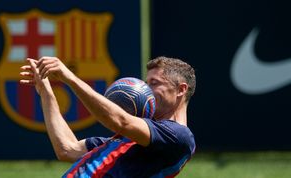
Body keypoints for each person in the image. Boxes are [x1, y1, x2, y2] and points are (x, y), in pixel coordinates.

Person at [20, 56, 196, 177]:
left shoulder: (179, 136)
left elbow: (120, 121)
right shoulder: (126, 140)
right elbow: (67, 149)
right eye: (146, 81)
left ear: (181, 89)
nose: (145, 88)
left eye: (154, 83)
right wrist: (45, 91)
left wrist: (70, 78)